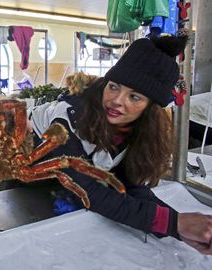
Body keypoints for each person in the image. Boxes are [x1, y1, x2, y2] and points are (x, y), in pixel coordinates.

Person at [29, 34, 212, 255]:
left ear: (149, 109)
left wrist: (180, 227)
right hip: (31, 177)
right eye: (114, 87)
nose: (117, 100)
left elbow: (129, 185)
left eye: (134, 97)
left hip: (70, 176)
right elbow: (87, 191)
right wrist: (174, 223)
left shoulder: (135, 131)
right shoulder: (68, 119)